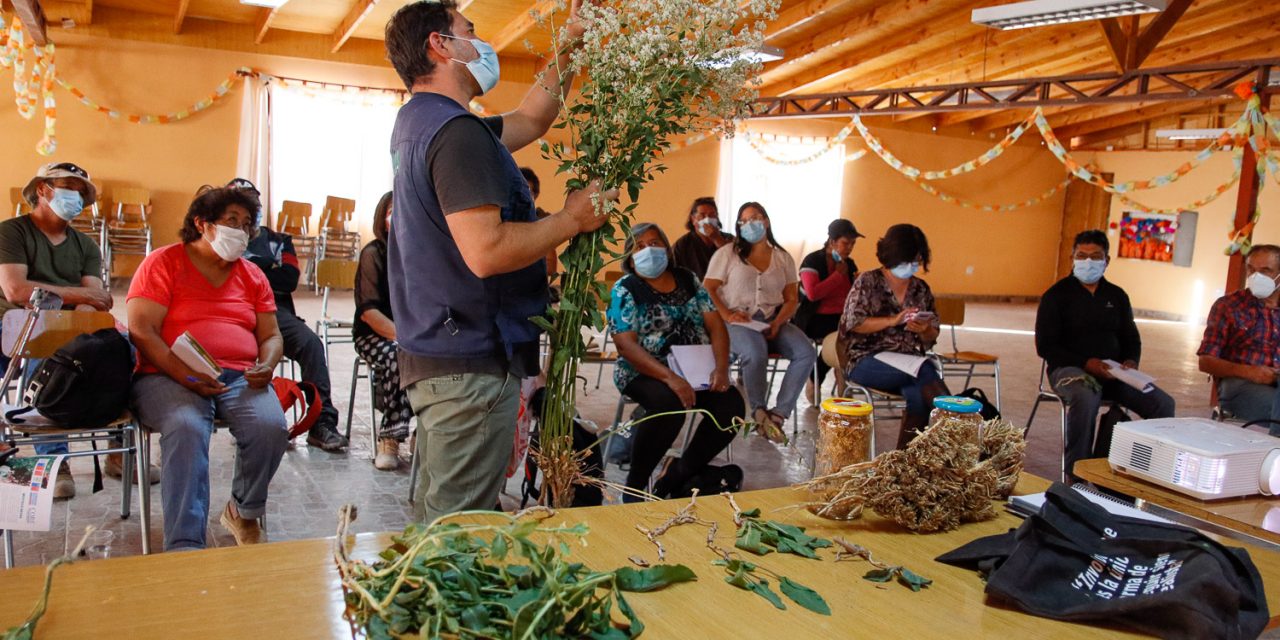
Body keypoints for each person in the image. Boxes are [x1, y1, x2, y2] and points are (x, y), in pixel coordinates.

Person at [384, 0, 615, 521]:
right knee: (459, 529)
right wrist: (572, 220)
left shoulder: (425, 123)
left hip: (439, 348)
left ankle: (419, 598)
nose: (481, 43)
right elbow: (486, 252)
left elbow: (533, 117)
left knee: (437, 515)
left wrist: (573, 38)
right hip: (469, 353)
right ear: (440, 45)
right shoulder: (455, 134)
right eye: (470, 31)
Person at [127, 186, 289, 550]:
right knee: (186, 425)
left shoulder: (252, 276)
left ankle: (243, 510)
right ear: (203, 224)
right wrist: (185, 374)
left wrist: (267, 362)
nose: (241, 230)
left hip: (238, 375)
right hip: (166, 373)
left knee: (270, 427)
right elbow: (142, 330)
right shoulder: (163, 263)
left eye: (247, 223)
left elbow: (272, 335)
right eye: (231, 220)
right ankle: (184, 542)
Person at [608, 223, 744, 502]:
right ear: (629, 256)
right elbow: (625, 345)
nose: (649, 250)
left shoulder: (689, 280)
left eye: (655, 243)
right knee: (669, 404)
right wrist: (671, 378)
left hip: (694, 369)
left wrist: (721, 369)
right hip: (643, 370)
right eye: (640, 246)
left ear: (667, 249)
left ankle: (678, 473)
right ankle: (635, 486)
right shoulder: (626, 288)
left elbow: (717, 327)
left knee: (731, 406)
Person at [2, 162, 113, 499]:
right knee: (45, 344)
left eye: (82, 192)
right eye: (67, 187)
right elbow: (17, 292)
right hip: (13, 322)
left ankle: (119, 452)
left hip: (63, 324)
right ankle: (51, 460)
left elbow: (96, 300)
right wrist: (80, 297)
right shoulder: (12, 232)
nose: (75, 196)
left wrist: (80, 310)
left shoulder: (85, 246)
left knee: (119, 346)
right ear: (43, 189)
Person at [1036, 229, 1175, 478]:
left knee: (1163, 404)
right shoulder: (1056, 296)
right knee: (1086, 396)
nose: (1088, 261)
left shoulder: (1117, 296)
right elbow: (1045, 346)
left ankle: (1146, 473)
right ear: (1073, 258)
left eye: (1095, 256)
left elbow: (1131, 338)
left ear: (1106, 260)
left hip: (1114, 374)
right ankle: (1077, 474)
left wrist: (1131, 362)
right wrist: (1085, 363)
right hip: (1070, 370)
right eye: (1082, 255)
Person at [233, 178, 348, 453]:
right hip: (233, 311)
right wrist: (266, 269)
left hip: (275, 312)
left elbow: (290, 279)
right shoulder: (223, 241)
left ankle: (322, 423)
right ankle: (248, 421)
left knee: (311, 344)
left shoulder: (279, 241)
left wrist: (249, 269)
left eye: (254, 204)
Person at [703, 202, 814, 442]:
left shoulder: (783, 257)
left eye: (755, 218)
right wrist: (727, 315)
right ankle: (759, 411)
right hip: (736, 321)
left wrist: (778, 323)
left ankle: (778, 415)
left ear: (766, 221)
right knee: (755, 350)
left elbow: (791, 298)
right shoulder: (728, 254)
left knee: (806, 351)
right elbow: (708, 289)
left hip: (774, 319)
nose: (749, 224)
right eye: (743, 221)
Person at [840, 223, 948, 449]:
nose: (911, 265)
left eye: (916, 260)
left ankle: (902, 461)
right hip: (866, 360)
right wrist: (893, 320)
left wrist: (924, 330)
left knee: (919, 395)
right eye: (906, 259)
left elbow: (932, 333)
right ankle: (956, 427)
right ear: (891, 255)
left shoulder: (921, 289)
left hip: (909, 363)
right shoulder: (868, 282)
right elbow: (853, 323)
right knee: (926, 370)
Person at [355, 192, 416, 470]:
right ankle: (390, 438)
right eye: (392, 210)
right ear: (383, 216)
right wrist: (403, 337)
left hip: (415, 334)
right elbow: (369, 312)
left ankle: (424, 434)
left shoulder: (422, 253)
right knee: (399, 355)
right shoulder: (374, 253)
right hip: (376, 334)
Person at [1198, 244, 1280, 428]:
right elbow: (1205, 362)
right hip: (1239, 384)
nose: (1256, 276)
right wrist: (1250, 372)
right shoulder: (1229, 306)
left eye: (1266, 270)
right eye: (1251, 269)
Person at [798, 218, 864, 402]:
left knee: (855, 335)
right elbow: (813, 294)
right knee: (841, 337)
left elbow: (852, 295)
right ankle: (815, 377)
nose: (849, 247)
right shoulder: (812, 260)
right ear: (832, 241)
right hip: (816, 319)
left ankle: (843, 378)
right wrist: (837, 275)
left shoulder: (849, 264)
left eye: (853, 243)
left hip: (840, 318)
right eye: (845, 243)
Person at [672, 197, 733, 280]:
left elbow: (737, 264)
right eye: (702, 216)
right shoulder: (682, 245)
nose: (707, 219)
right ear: (693, 219)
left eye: (712, 215)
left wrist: (716, 239)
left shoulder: (729, 239)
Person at [519, 167, 558, 278]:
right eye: (516, 191)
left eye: (527, 192)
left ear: (535, 196)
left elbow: (550, 266)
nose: (521, 197)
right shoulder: (498, 220)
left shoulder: (542, 222)